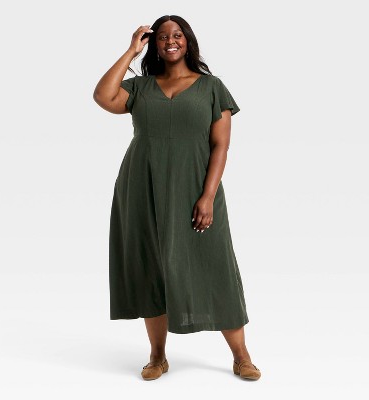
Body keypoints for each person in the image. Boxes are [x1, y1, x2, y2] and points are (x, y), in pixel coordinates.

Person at [93, 15, 261, 381]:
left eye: (178, 35)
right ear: (153, 44)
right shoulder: (140, 87)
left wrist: (208, 195)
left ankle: (241, 356)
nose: (170, 40)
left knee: (215, 267)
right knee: (151, 268)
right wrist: (130, 51)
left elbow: (221, 145)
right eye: (163, 36)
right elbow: (103, 96)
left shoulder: (211, 87)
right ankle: (157, 356)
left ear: (188, 41)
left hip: (196, 189)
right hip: (142, 187)